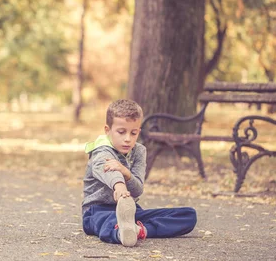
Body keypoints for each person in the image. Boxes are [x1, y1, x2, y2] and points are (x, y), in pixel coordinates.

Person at [81, 99, 197, 247]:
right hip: (97, 211)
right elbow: (108, 169)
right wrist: (119, 187)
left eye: (133, 133)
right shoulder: (101, 150)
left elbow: (137, 189)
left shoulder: (139, 151)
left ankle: (139, 230)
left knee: (188, 215)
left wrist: (127, 173)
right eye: (121, 132)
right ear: (107, 130)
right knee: (108, 221)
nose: (128, 139)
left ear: (139, 132)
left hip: (130, 211)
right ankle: (119, 232)